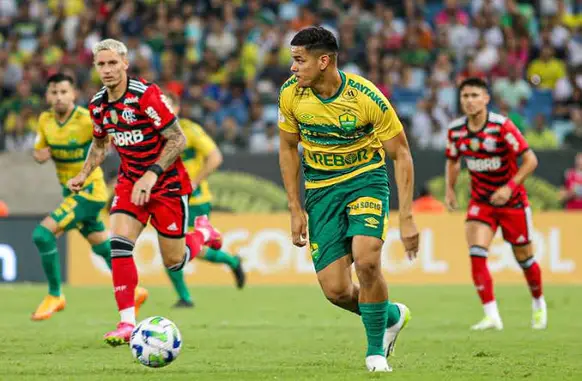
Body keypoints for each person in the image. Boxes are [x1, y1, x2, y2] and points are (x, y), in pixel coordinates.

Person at [277, 27, 419, 373]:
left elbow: (400, 154)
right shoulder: (291, 94)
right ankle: (390, 315)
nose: (293, 68)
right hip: (321, 191)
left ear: (323, 61)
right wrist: (295, 209)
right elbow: (287, 148)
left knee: (367, 260)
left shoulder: (365, 96)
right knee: (337, 291)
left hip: (365, 182)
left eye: (300, 60)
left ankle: (374, 352)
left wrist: (407, 216)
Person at [68, 39, 222, 346]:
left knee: (174, 262)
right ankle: (127, 323)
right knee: (119, 244)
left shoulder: (146, 95)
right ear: (95, 67)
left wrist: (151, 175)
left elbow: (177, 139)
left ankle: (203, 232)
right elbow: (100, 145)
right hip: (130, 182)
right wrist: (84, 174)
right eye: (102, 64)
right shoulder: (98, 105)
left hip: (166, 184)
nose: (108, 70)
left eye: (113, 63)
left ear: (125, 63)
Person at [30, 73, 148, 321]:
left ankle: (55, 294)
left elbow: (108, 143)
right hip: (69, 191)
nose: (59, 97)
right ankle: (134, 291)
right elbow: (40, 147)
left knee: (42, 235)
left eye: (64, 92)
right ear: (47, 96)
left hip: (90, 191)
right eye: (54, 92)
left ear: (73, 94)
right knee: (103, 246)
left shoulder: (86, 119)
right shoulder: (45, 120)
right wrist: (40, 154)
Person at [445, 77, 546, 331]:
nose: (469, 101)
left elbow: (531, 160)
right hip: (481, 202)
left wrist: (509, 187)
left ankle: (538, 302)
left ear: (486, 98)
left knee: (525, 258)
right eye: (465, 96)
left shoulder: (502, 127)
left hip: (512, 202)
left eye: (474, 95)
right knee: (476, 253)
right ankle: (491, 315)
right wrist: (449, 190)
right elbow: (454, 160)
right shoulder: (456, 130)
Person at [163, 93, 246, 308]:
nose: (163, 108)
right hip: (167, 200)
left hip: (195, 201)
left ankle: (230, 262)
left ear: (177, 108)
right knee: (170, 249)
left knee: (184, 248)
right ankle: (185, 297)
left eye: (167, 104)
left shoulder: (190, 131)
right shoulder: (152, 134)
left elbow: (215, 157)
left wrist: (193, 183)